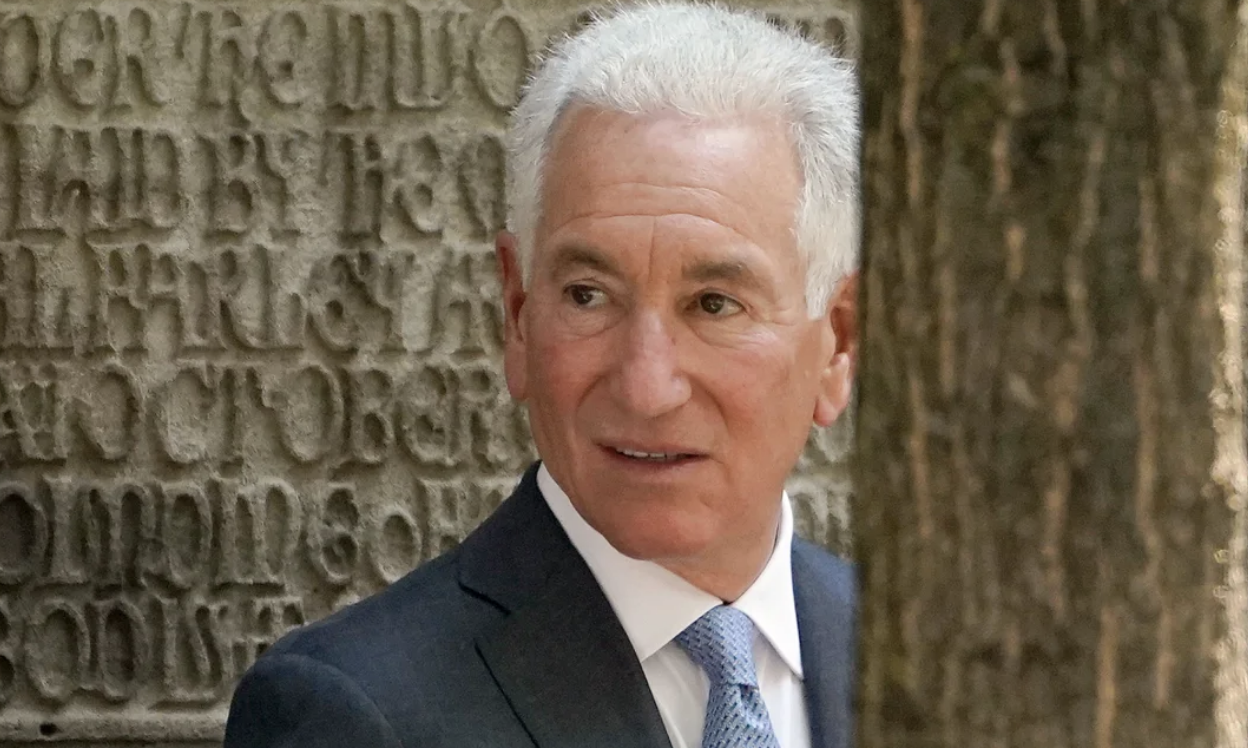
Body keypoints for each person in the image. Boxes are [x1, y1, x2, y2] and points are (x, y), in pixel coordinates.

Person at [222, 2, 859, 746]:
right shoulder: (351, 714)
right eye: (588, 296)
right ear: (518, 313)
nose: (646, 387)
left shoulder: (942, 661)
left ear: (837, 344)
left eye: (714, 305)